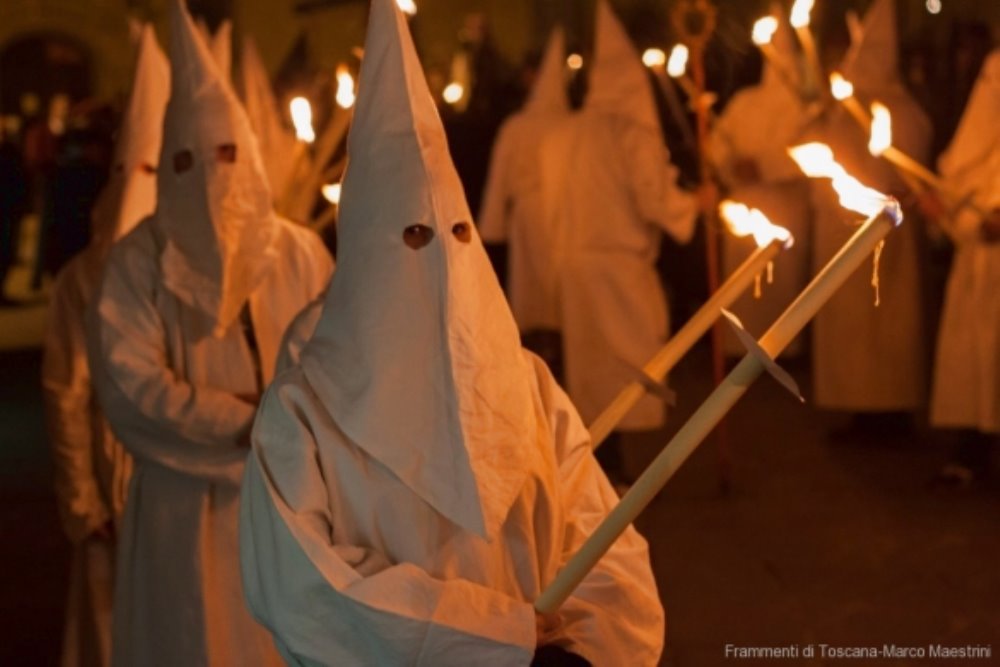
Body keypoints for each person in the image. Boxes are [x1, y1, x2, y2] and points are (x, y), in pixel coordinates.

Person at [239, 1, 664, 664]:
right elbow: (308, 589)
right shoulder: (302, 412)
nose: (438, 257)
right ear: (366, 252)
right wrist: (497, 636)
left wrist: (585, 647)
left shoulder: (527, 383)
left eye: (456, 235)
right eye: (412, 236)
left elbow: (603, 541)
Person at [87, 2, 333, 664]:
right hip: (183, 503)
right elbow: (130, 384)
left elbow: (335, 357)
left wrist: (292, 429)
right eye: (194, 159)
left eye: (229, 153)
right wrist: (242, 421)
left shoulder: (301, 253)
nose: (215, 175)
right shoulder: (137, 262)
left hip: (293, 498)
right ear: (170, 162)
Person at [42, 25, 168, 667]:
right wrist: (83, 499)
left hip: (171, 485)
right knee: (108, 621)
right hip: (107, 476)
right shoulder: (82, 279)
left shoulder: (181, 267)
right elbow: (66, 392)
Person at [551, 0, 698, 482]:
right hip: (615, 261)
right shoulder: (632, 127)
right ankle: (613, 468)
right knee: (626, 368)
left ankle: (603, 463)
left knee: (594, 371)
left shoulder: (580, 126)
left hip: (578, 258)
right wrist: (696, 203)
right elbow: (651, 197)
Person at [805, 0, 930, 438]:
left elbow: (911, 167)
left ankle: (890, 415)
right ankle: (860, 411)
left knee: (885, 329)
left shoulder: (897, 111)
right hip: (843, 234)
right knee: (853, 331)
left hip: (886, 238)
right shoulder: (843, 108)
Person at [711, 4, 811, 358]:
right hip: (744, 203)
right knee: (743, 288)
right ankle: (738, 350)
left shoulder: (806, 106)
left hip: (784, 207)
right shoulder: (744, 101)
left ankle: (782, 353)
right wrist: (732, 165)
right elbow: (718, 143)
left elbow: (812, 154)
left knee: (779, 286)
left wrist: (767, 166)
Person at [479, 28, 570, 376]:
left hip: (530, 219)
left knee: (536, 295)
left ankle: (542, 356)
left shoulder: (516, 126)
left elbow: (499, 180)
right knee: (553, 296)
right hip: (561, 219)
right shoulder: (570, 126)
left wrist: (493, 229)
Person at [930, 49, 1000, 486]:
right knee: (975, 361)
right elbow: (960, 191)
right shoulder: (983, 154)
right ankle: (973, 451)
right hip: (978, 273)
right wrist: (943, 210)